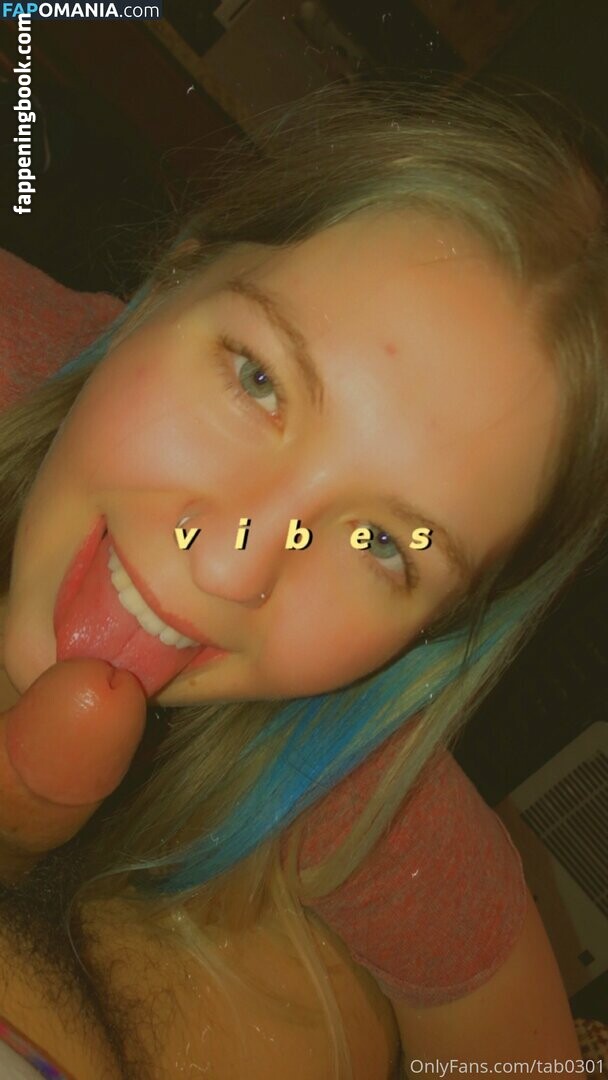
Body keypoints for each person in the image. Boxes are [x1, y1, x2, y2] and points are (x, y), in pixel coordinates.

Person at [0, 78, 606, 1079]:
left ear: (429, 632)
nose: (230, 562)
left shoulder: (341, 765)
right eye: (258, 380)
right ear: (174, 276)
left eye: (382, 544)